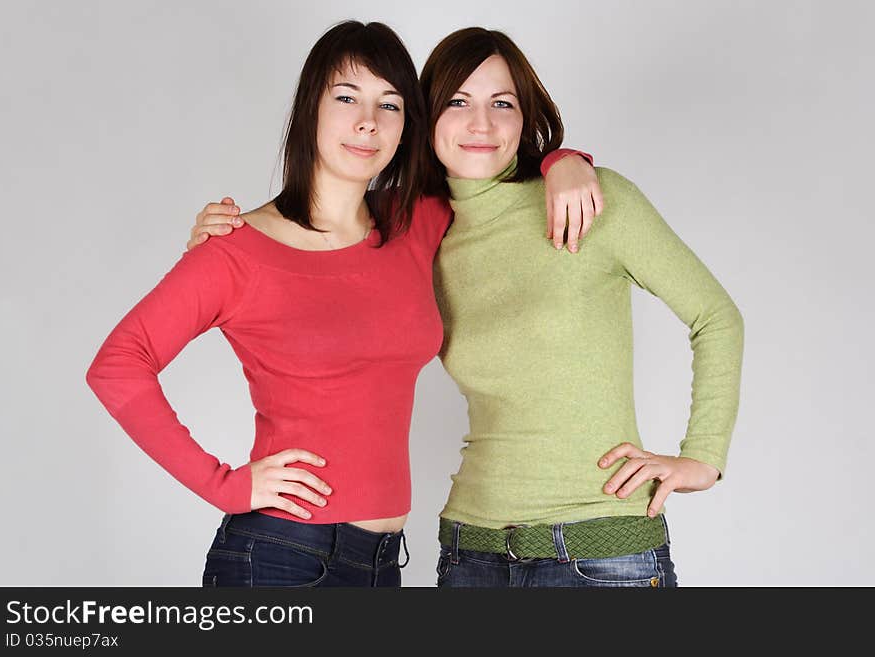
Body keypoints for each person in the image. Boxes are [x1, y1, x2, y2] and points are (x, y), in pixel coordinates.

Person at [192, 27, 744, 588]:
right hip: (470, 552)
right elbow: (314, 242)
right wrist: (228, 236)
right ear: (423, 120)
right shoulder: (413, 230)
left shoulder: (593, 202)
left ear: (525, 116)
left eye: (501, 103)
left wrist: (702, 456)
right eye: (457, 102)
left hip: (601, 551)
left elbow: (715, 316)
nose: (480, 124)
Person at [86, 21, 601, 588]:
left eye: (391, 104)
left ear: (407, 127)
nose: (368, 122)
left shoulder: (415, 221)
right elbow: (117, 366)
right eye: (347, 97)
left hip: (383, 564)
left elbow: (492, 165)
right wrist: (225, 486)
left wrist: (565, 161)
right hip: (281, 556)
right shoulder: (236, 249)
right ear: (311, 107)